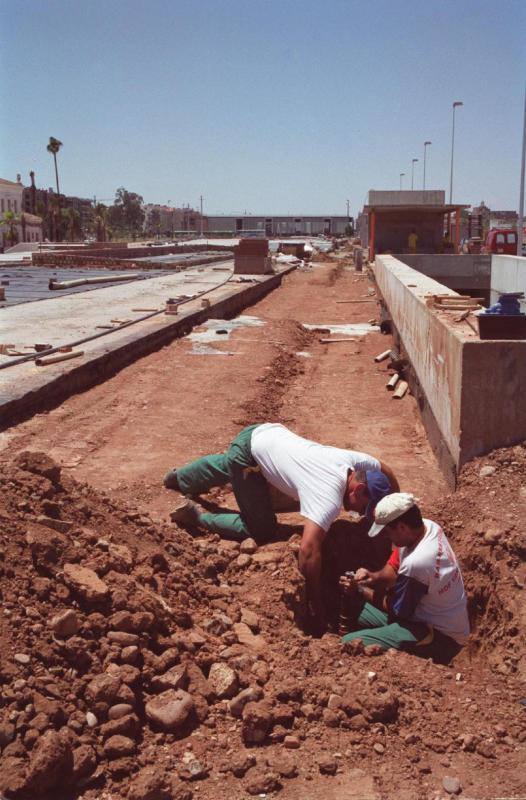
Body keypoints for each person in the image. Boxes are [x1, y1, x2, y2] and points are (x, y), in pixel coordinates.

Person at [164, 423, 399, 633]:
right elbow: (308, 552)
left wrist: (393, 506)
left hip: (263, 433)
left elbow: (385, 468)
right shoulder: (328, 496)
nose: (357, 514)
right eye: (363, 508)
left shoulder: (355, 463)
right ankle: (198, 516)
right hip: (248, 456)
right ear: (358, 490)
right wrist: (314, 604)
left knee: (237, 466)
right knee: (261, 529)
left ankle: (181, 477)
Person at [339, 492, 470, 664]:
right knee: (353, 602)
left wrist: (361, 590)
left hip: (439, 636)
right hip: (424, 617)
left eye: (387, 532)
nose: (386, 537)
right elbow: (392, 569)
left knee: (347, 643)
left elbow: (397, 610)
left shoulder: (418, 562)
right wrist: (370, 578)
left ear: (401, 527)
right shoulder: (427, 527)